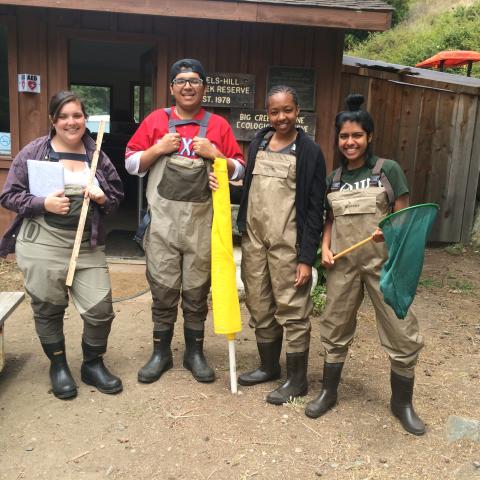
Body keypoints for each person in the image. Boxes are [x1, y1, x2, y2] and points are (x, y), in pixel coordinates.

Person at [305, 94, 425, 435]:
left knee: (401, 329)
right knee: (335, 326)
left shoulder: (387, 170)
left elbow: (404, 215)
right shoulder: (335, 178)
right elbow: (329, 220)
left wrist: (386, 229)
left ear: (369, 136)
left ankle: (402, 403)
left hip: (383, 267)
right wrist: (324, 248)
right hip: (342, 266)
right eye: (344, 136)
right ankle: (329, 392)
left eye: (357, 135)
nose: (350, 142)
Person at [125, 58, 245, 384]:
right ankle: (160, 353)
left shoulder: (218, 126)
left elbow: (240, 169)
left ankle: (195, 353)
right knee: (163, 291)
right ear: (172, 88)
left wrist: (216, 156)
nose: (188, 86)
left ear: (204, 87)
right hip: (163, 224)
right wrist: (157, 148)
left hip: (200, 226)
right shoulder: (155, 121)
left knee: (195, 292)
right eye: (181, 81)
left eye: (194, 80)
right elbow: (132, 163)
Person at [0, 90, 124, 399]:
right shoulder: (33, 152)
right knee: (48, 308)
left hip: (86, 244)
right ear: (54, 120)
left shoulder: (97, 155)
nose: (72, 122)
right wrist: (42, 203)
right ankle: (58, 365)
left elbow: (117, 198)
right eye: (64, 116)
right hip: (42, 242)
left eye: (78, 115)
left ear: (85, 119)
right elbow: (9, 195)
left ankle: (92, 364)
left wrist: (101, 197)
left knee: (101, 310)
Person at [235, 85, 326, 405]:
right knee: (259, 304)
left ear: (297, 111)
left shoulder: (310, 151)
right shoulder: (259, 142)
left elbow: (316, 210)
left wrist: (305, 258)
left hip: (288, 242)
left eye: (287, 110)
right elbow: (248, 190)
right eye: (274, 111)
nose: (281, 117)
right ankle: (268, 366)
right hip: (255, 240)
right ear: (267, 113)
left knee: (293, 309)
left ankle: (298, 379)